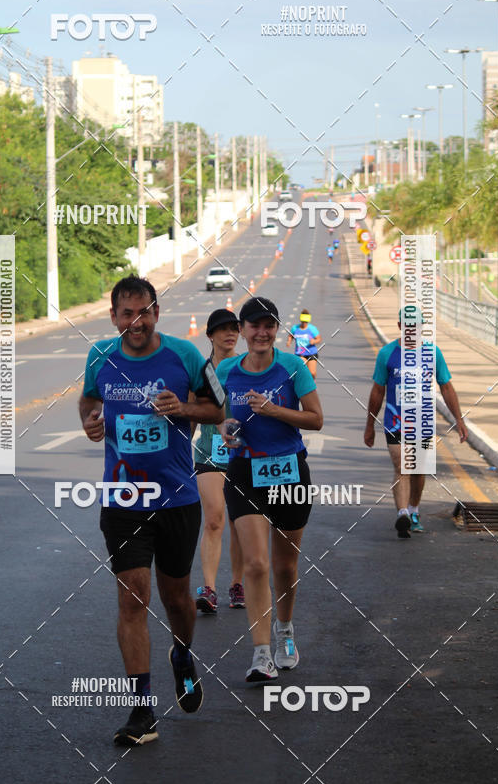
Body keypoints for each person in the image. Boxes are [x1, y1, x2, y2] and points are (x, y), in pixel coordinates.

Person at [79, 275, 224, 746]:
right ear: (114, 317)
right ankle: (142, 712)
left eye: (143, 312)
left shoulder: (183, 355)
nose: (135, 322)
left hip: (177, 499)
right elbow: (88, 398)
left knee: (177, 600)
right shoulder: (101, 356)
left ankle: (182, 653)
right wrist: (89, 420)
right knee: (131, 598)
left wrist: (183, 408)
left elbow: (217, 410)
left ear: (156, 313)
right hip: (123, 499)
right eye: (126, 314)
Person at [216, 297, 323, 683]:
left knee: (284, 564)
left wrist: (274, 411)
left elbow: (316, 419)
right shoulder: (228, 369)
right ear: (242, 330)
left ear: (277, 329)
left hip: (289, 471)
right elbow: (222, 418)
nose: (262, 333)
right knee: (256, 564)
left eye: (269, 325)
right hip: (245, 472)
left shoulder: (293, 366)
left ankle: (285, 631)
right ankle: (261, 654)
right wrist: (226, 431)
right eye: (254, 326)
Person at [364, 306, 468, 538]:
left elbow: (446, 386)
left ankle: (413, 510)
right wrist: (370, 425)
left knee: (418, 470)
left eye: (416, 326)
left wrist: (459, 420)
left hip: (423, 422)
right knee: (402, 466)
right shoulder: (387, 354)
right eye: (408, 325)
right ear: (400, 326)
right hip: (395, 421)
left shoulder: (433, 353)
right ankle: (402, 514)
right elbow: (377, 392)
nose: (412, 330)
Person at [192, 309, 245, 613]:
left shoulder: (246, 366)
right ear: (210, 335)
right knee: (214, 519)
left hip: (242, 453)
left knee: (239, 523)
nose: (230, 334)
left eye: (234, 329)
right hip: (209, 452)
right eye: (222, 329)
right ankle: (209, 588)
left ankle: (237, 584)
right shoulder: (200, 371)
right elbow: (192, 413)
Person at [286, 309, 322, 380]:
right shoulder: (295, 328)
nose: (304, 323)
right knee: (302, 372)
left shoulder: (312, 329)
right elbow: (291, 335)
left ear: (308, 321)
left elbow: (319, 339)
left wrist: (314, 341)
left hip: (312, 353)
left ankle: (311, 384)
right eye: (303, 322)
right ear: (300, 320)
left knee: (312, 373)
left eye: (306, 322)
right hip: (300, 353)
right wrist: (289, 341)